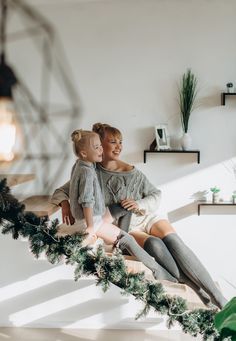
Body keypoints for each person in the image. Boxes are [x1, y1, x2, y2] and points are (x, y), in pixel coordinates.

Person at [51, 123, 227, 309]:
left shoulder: (132, 172)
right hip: (130, 226)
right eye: (112, 142)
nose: (118, 146)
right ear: (100, 143)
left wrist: (139, 204)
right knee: (155, 245)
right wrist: (64, 204)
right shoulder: (90, 171)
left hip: (148, 217)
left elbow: (156, 195)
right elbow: (62, 191)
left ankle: (218, 297)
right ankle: (198, 291)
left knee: (174, 241)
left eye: (121, 142)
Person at [64, 128, 178, 283]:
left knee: (124, 212)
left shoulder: (81, 165)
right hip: (92, 220)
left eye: (100, 146)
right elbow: (86, 201)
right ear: (84, 153)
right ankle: (158, 271)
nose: (101, 150)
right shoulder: (88, 172)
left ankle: (159, 270)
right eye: (97, 147)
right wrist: (91, 228)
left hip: (95, 217)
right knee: (128, 239)